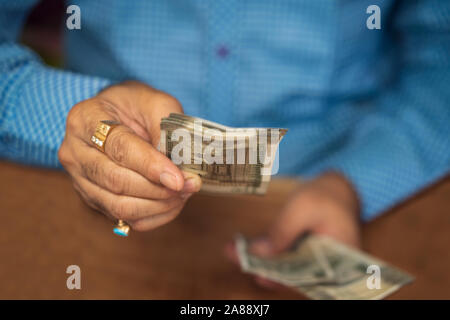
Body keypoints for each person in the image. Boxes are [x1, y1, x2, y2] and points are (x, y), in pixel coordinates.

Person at [0, 1, 448, 268]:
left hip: (348, 216)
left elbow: (442, 57)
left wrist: (354, 182)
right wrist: (76, 119)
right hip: (92, 221)